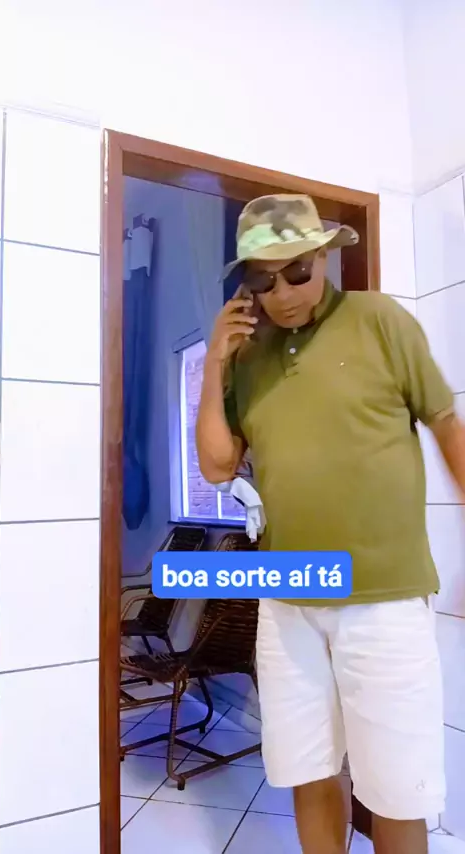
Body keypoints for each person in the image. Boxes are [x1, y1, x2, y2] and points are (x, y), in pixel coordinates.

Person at [195, 193, 465, 854]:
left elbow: (446, 424)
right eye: (263, 280)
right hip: (288, 597)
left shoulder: (378, 320)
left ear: (324, 258)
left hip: (383, 596)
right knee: (308, 771)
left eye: (298, 271)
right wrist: (215, 362)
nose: (283, 294)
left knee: (396, 791)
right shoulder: (248, 357)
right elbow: (217, 465)